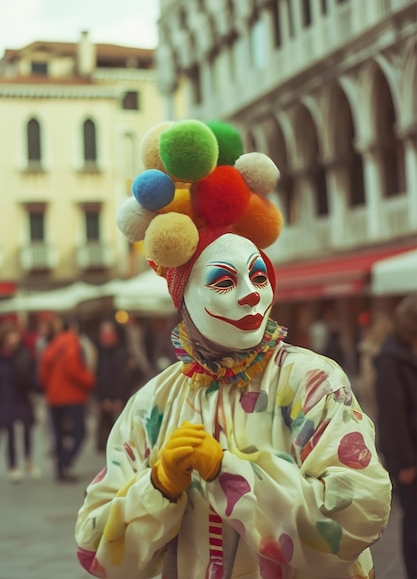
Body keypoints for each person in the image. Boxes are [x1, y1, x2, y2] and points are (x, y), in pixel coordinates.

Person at [75, 119, 391, 578]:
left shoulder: (314, 384)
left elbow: (357, 517)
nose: (250, 294)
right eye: (224, 280)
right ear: (185, 299)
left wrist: (230, 472)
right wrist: (158, 488)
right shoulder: (151, 406)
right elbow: (98, 553)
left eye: (259, 276)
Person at [374, 294, 417, 579]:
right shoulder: (391, 360)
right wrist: (405, 464)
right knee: (413, 522)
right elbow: (393, 416)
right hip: (408, 458)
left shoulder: (406, 353)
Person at [39, 315, 95, 481]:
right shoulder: (71, 341)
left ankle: (60, 468)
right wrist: (89, 381)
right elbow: (73, 368)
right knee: (80, 432)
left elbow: (43, 371)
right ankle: (66, 462)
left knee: (58, 434)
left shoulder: (53, 343)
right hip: (72, 396)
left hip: (54, 397)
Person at [95, 318, 148, 452]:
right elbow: (101, 378)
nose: (105, 336)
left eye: (108, 332)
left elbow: (130, 377)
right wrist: (103, 398)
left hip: (121, 400)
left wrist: (118, 397)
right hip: (106, 400)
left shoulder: (124, 354)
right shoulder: (102, 353)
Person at [0, 321, 41, 482]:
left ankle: (28, 459)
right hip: (5, 399)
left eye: (15, 336)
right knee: (10, 433)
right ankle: (13, 466)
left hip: (22, 397)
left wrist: (37, 387)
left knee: (27, 430)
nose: (14, 339)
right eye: (10, 336)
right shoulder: (2, 357)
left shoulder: (24, 354)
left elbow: (32, 376)